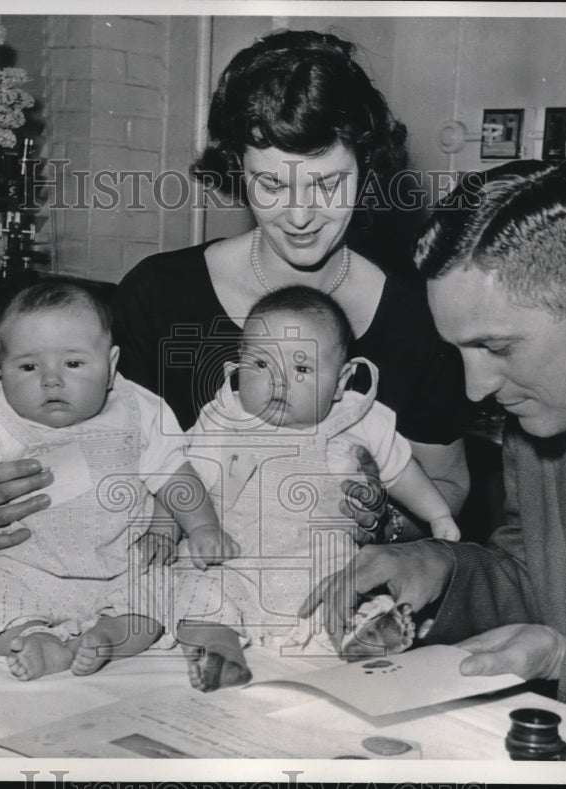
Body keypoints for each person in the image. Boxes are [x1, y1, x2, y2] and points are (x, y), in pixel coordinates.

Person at [302, 160, 566, 746]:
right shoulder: (543, 416)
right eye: (461, 353)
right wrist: (441, 568)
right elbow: (538, 580)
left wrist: (565, 662)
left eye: (497, 347)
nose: (477, 389)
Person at [112, 29, 472, 526]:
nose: (300, 215)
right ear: (237, 167)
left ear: (366, 168)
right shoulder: (158, 295)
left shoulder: (416, 316)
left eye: (327, 183)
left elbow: (448, 485)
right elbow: (101, 460)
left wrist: (383, 524)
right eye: (271, 184)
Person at [0, 281, 237, 681]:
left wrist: (203, 527)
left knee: (156, 600)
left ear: (110, 365)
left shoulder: (138, 410)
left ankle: (106, 636)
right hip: (25, 571)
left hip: (123, 570)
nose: (50, 380)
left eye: (73, 364)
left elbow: (176, 474)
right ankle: (34, 640)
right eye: (28, 367)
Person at [165, 286, 461, 690]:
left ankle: (362, 637)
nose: (280, 383)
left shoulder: (355, 421)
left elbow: (401, 471)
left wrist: (438, 515)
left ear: (340, 382)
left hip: (321, 566)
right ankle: (220, 651)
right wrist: (167, 529)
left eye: (302, 370)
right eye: (262, 364)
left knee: (353, 592)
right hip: (232, 558)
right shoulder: (222, 419)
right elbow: (180, 481)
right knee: (198, 593)